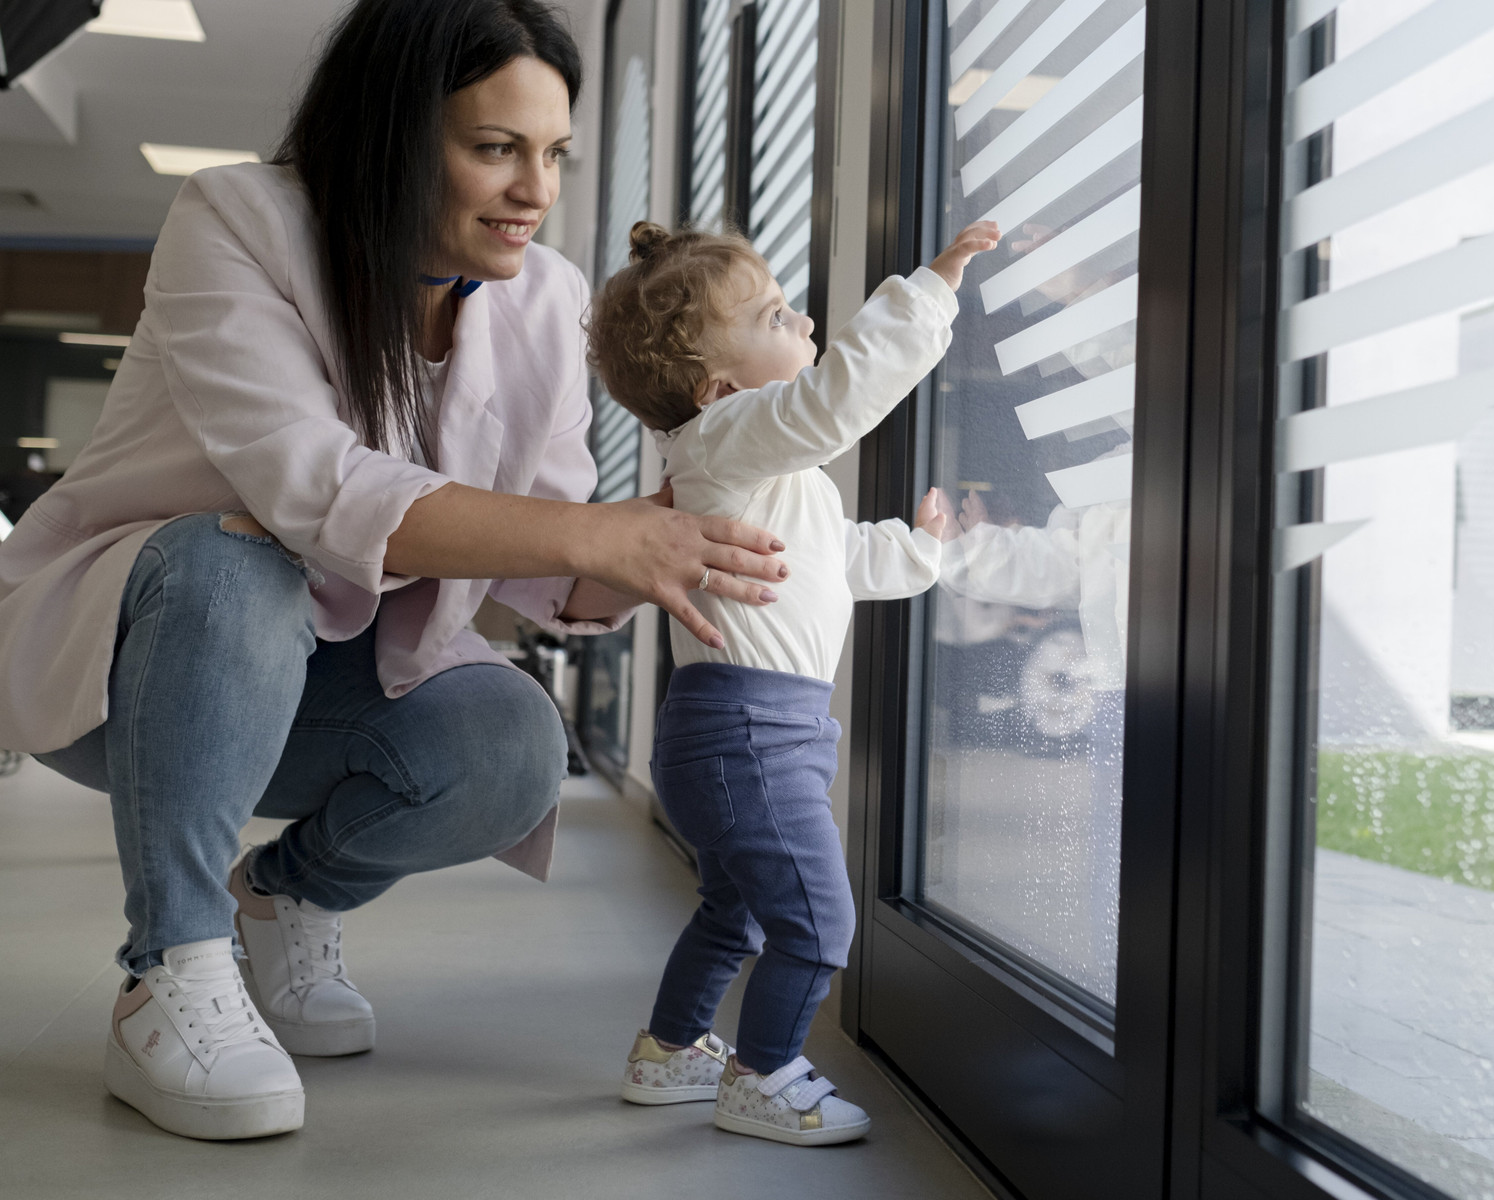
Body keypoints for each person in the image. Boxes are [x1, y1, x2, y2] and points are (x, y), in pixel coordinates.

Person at [0, 0, 787, 1142]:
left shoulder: (548, 297)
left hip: (328, 684)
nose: (535, 190)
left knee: (511, 742)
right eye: (496, 148)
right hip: (138, 666)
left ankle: (281, 896)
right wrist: (588, 534)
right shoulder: (237, 218)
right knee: (239, 553)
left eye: (555, 154)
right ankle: (169, 963)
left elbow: (546, 557)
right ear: (392, 133)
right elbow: (311, 487)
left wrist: (681, 531)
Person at [584, 215, 999, 1145]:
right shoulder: (723, 438)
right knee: (817, 924)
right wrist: (930, 290)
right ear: (719, 389)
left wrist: (918, 551)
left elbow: (825, 558)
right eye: (777, 317)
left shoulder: (755, 473)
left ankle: (667, 1051)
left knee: (731, 911)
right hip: (750, 735)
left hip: (747, 733)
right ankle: (764, 1075)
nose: (805, 322)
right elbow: (837, 399)